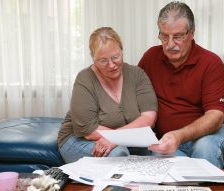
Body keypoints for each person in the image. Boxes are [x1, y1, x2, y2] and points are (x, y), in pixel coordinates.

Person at [138, 1, 224, 168]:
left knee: (204, 149)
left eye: (177, 36)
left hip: (212, 134)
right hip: (169, 138)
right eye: (164, 35)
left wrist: (179, 135)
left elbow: (216, 116)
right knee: (165, 163)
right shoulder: (151, 57)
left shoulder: (211, 63)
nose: (169, 44)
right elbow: (131, 95)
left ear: (191, 34)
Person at [58, 27, 157, 163]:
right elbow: (89, 131)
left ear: (121, 51)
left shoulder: (137, 75)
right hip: (78, 139)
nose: (111, 65)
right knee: (119, 154)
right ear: (93, 58)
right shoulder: (84, 79)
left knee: (159, 153)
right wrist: (119, 139)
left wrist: (114, 138)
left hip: (121, 140)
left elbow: (148, 118)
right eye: (103, 61)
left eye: (116, 57)